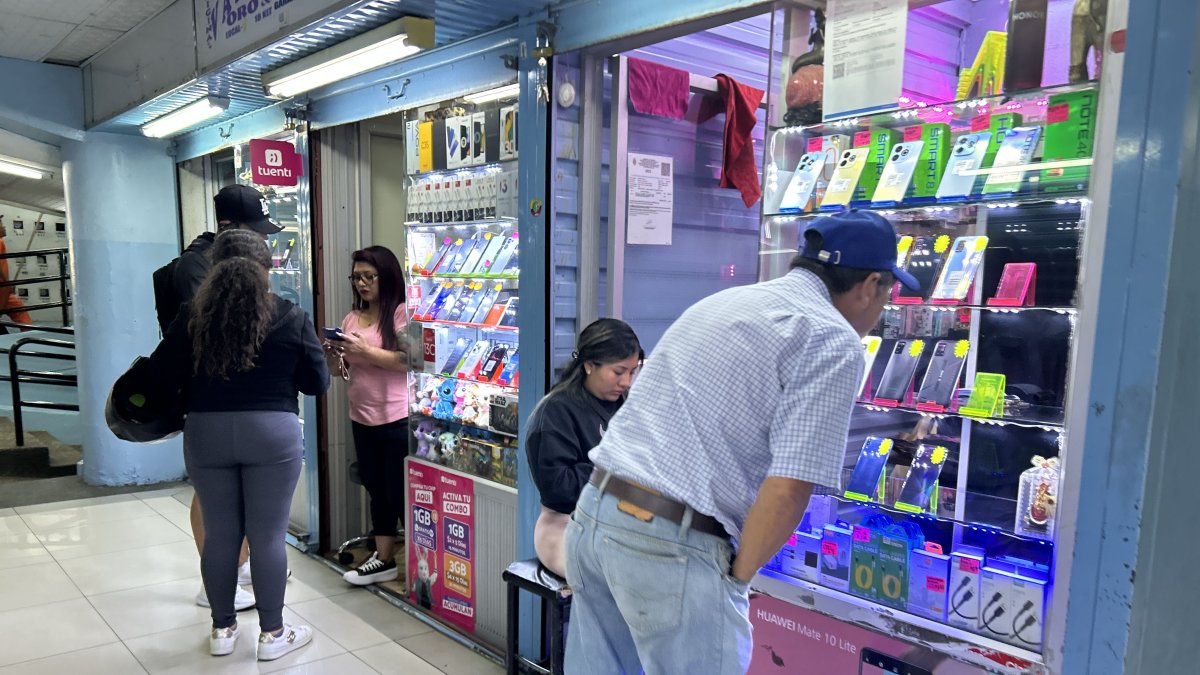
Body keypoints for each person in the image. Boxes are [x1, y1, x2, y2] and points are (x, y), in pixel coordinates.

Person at [563, 210, 919, 674]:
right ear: (870, 283)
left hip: (595, 514)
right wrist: (736, 579)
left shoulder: (726, 302)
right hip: (668, 542)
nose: (882, 307)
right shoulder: (832, 338)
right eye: (888, 292)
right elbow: (790, 486)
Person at [147, 229, 329, 660]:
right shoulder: (289, 315)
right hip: (272, 433)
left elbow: (163, 376)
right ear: (266, 268)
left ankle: (222, 630)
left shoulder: (191, 317)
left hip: (207, 433)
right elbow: (316, 382)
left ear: (215, 269)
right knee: (266, 537)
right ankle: (272, 635)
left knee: (221, 533)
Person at [159, 184, 284, 611]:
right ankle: (219, 582)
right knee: (215, 505)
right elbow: (211, 338)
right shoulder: (200, 269)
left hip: (221, 411)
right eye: (258, 231)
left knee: (237, 507)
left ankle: (233, 583)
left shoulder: (212, 264)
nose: (262, 241)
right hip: (218, 407)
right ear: (232, 227)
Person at [525, 318, 642, 577]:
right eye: (619, 371)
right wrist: (616, 471)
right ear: (589, 365)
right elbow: (558, 489)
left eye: (633, 372)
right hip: (564, 524)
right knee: (623, 576)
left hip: (616, 521)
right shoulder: (556, 410)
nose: (626, 382)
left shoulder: (623, 406)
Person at [328, 246, 411, 586]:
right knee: (376, 488)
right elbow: (339, 371)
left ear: (386, 277)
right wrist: (334, 355)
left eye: (368, 276)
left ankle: (420, 566)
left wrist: (366, 351)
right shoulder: (351, 318)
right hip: (361, 416)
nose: (361, 283)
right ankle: (385, 559)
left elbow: (410, 361)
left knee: (400, 492)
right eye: (356, 277)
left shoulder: (402, 314)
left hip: (397, 416)